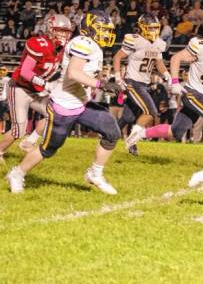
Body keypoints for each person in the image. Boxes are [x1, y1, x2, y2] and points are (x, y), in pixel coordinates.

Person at [6, 11, 121, 194]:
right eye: (102, 29)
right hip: (64, 106)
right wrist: (101, 84)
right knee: (49, 149)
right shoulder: (83, 43)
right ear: (89, 28)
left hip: (81, 104)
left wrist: (109, 82)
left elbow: (88, 73)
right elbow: (73, 72)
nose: (106, 34)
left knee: (112, 131)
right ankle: (17, 173)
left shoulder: (93, 45)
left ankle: (95, 173)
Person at [125, 25, 203, 173]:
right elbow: (176, 58)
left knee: (176, 132)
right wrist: (174, 82)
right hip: (193, 93)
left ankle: (138, 135)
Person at [0, 14, 74, 162]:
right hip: (20, 88)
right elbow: (25, 72)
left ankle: (29, 142)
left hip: (37, 91)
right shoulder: (39, 44)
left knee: (56, 113)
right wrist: (46, 84)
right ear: (50, 30)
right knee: (18, 130)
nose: (64, 34)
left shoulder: (62, 48)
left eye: (66, 31)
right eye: (60, 30)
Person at [113, 14, 170, 156]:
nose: (153, 31)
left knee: (128, 117)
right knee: (151, 112)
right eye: (150, 28)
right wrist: (118, 76)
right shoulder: (135, 40)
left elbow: (159, 62)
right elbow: (117, 57)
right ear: (143, 28)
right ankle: (132, 140)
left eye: (156, 28)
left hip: (144, 84)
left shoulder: (158, 43)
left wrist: (167, 75)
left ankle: (108, 135)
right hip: (133, 82)